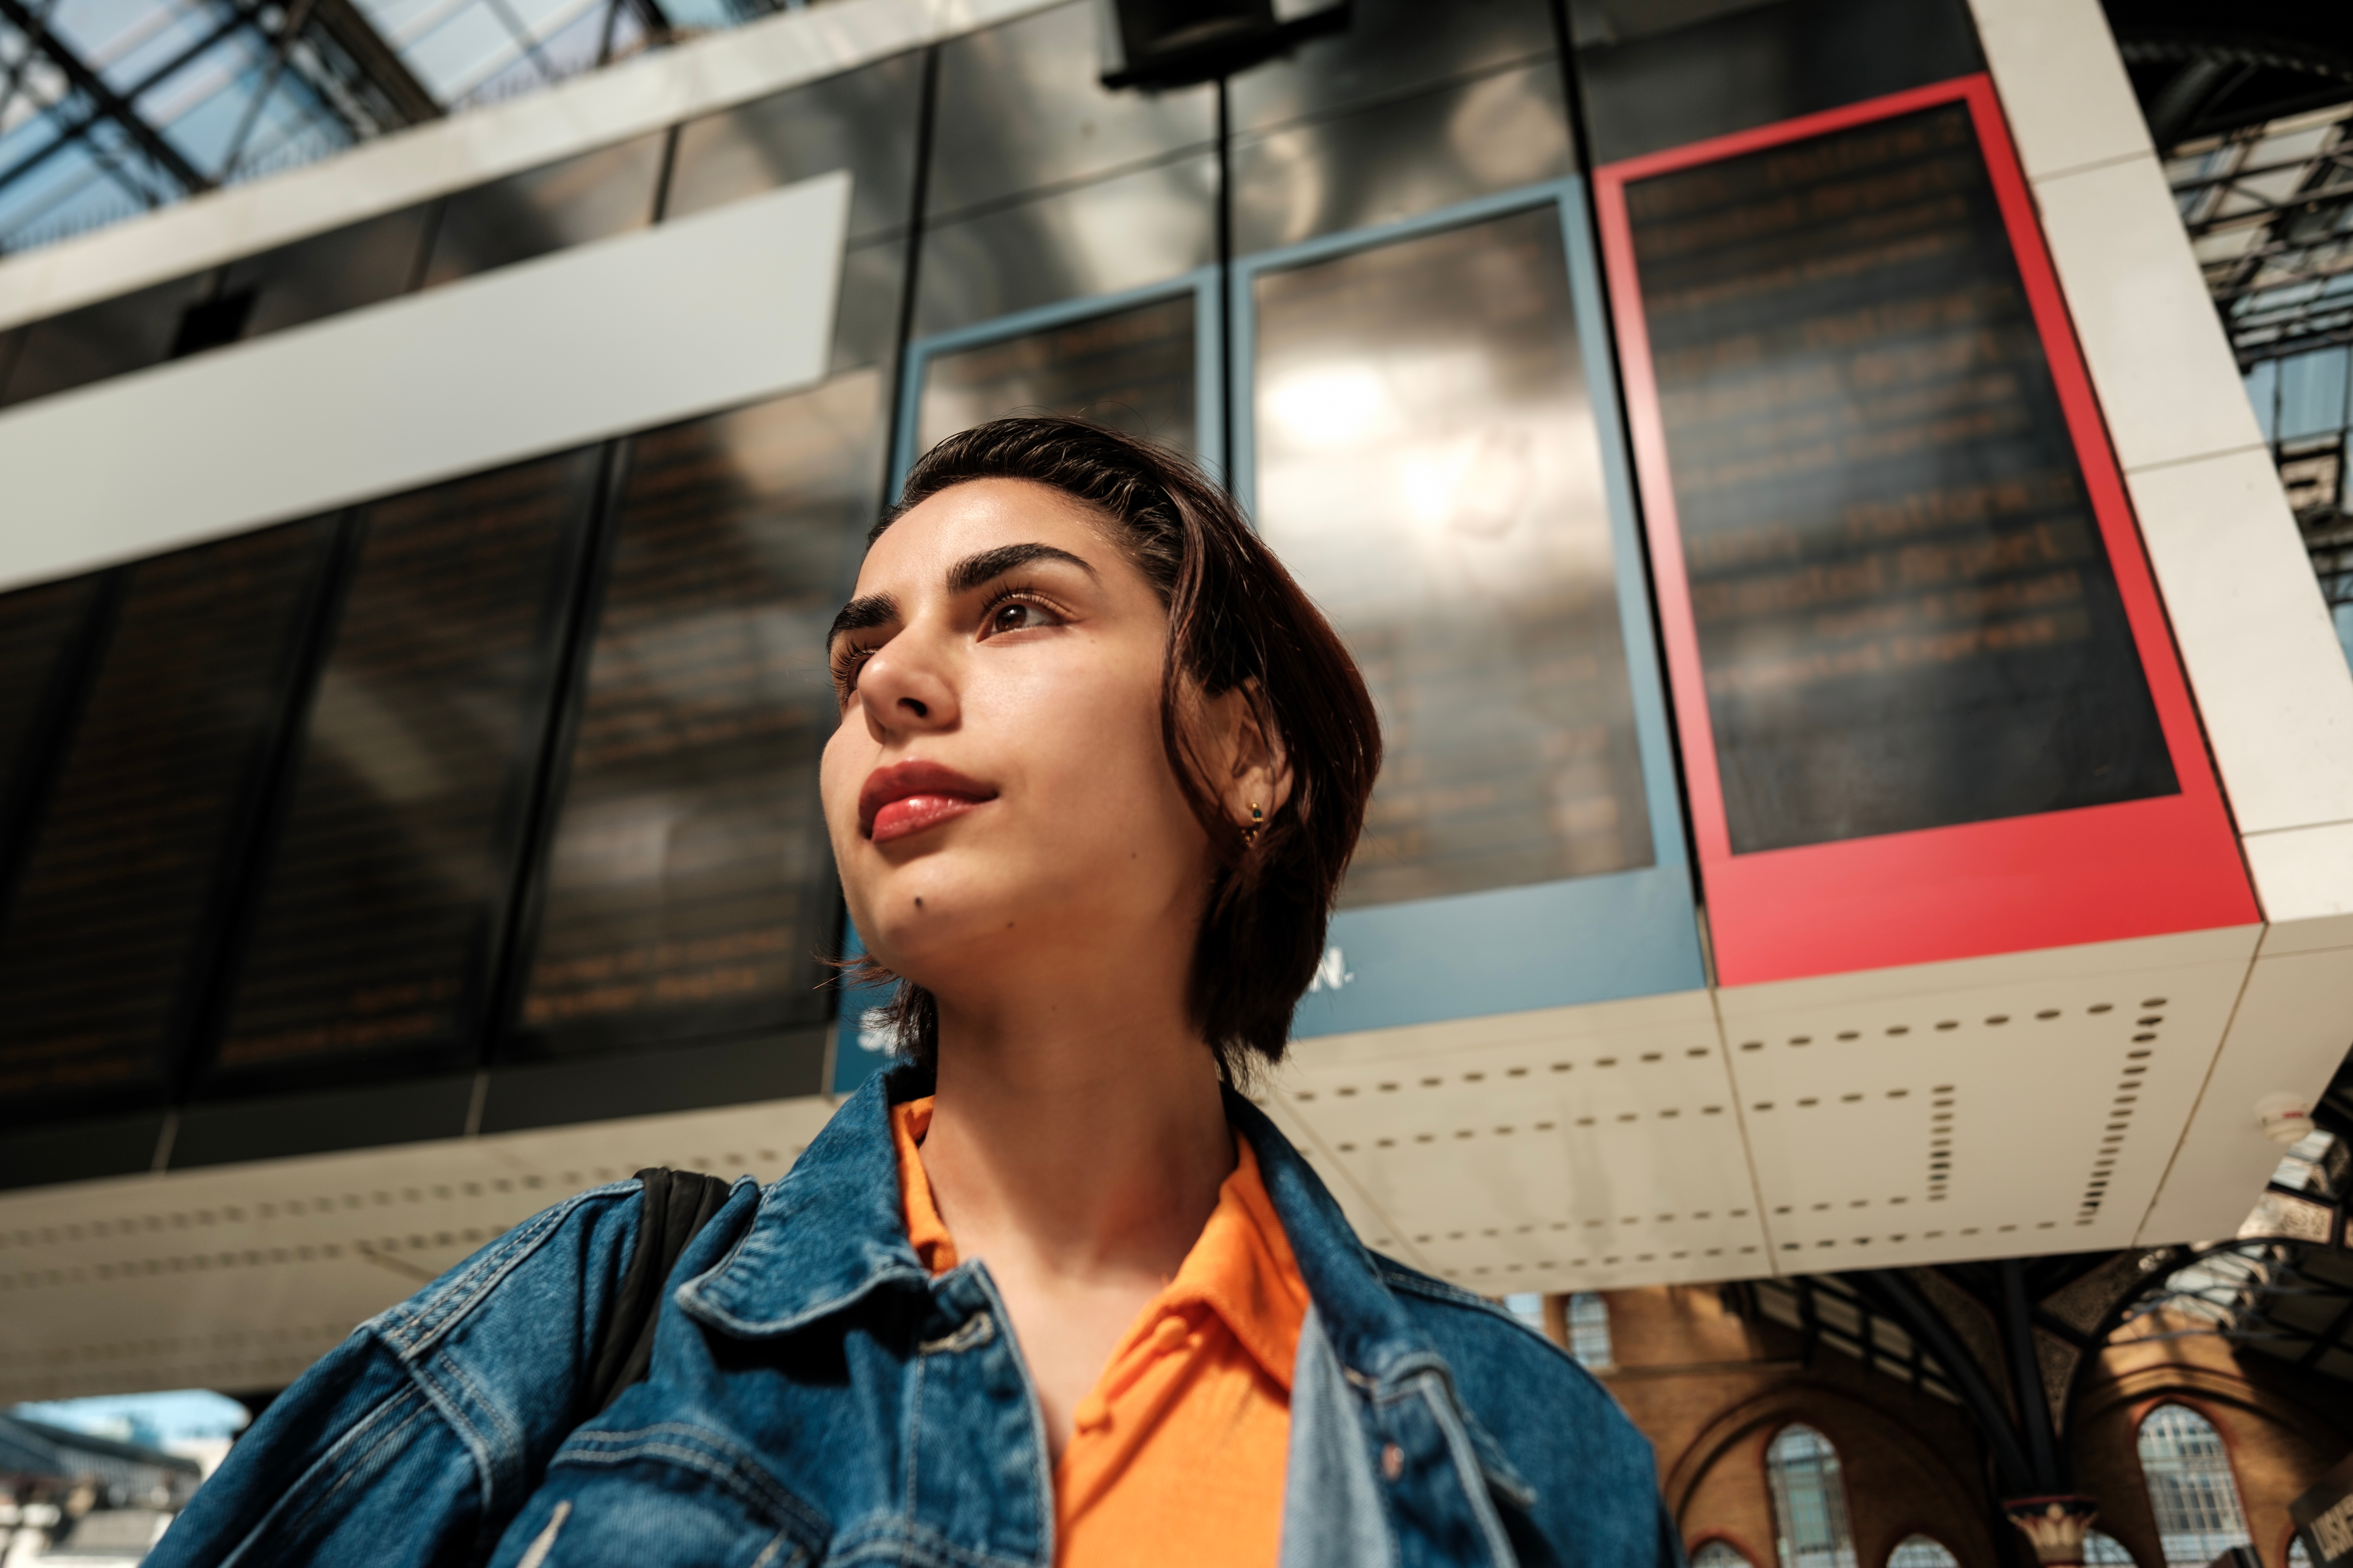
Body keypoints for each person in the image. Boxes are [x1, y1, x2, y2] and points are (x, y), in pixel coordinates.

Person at [149, 418, 1675, 1567]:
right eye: (858, 658)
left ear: (1246, 755)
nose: (887, 686)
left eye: (1015, 611)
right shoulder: (603, 1305)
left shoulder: (1526, 1446)